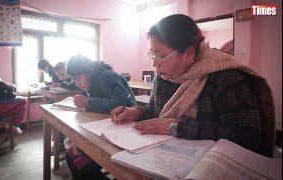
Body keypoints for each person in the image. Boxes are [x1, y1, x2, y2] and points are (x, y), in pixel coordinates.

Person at [111, 14, 275, 158]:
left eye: (160, 55)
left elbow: (248, 139)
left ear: (188, 53)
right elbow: (155, 112)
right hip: (161, 156)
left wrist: (176, 127)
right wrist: (134, 112)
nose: (155, 64)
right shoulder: (164, 77)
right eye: (152, 54)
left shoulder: (227, 79)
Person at [65, 55, 137, 179]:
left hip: (125, 129)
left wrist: (88, 102)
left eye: (78, 78)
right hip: (104, 128)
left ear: (90, 71)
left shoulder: (107, 76)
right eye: (74, 79)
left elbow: (120, 104)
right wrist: (78, 140)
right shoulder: (90, 82)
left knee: (81, 167)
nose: (77, 84)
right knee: (70, 154)